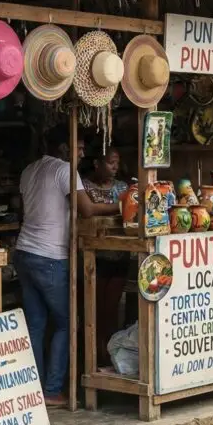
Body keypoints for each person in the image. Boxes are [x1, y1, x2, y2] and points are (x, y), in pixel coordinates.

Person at [15, 130, 119, 407]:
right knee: (66, 323)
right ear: (64, 146)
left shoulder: (29, 170)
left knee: (36, 325)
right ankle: (52, 390)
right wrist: (120, 206)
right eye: (80, 147)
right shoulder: (65, 170)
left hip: (25, 252)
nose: (83, 153)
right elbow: (87, 210)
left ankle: (33, 389)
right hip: (50, 257)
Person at [82, 146, 130, 367]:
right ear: (97, 164)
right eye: (111, 163)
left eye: (117, 163)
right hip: (94, 258)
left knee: (110, 311)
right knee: (93, 312)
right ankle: (92, 358)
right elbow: (84, 212)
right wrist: (118, 206)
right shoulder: (84, 186)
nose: (115, 167)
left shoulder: (124, 188)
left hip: (119, 258)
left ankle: (107, 358)